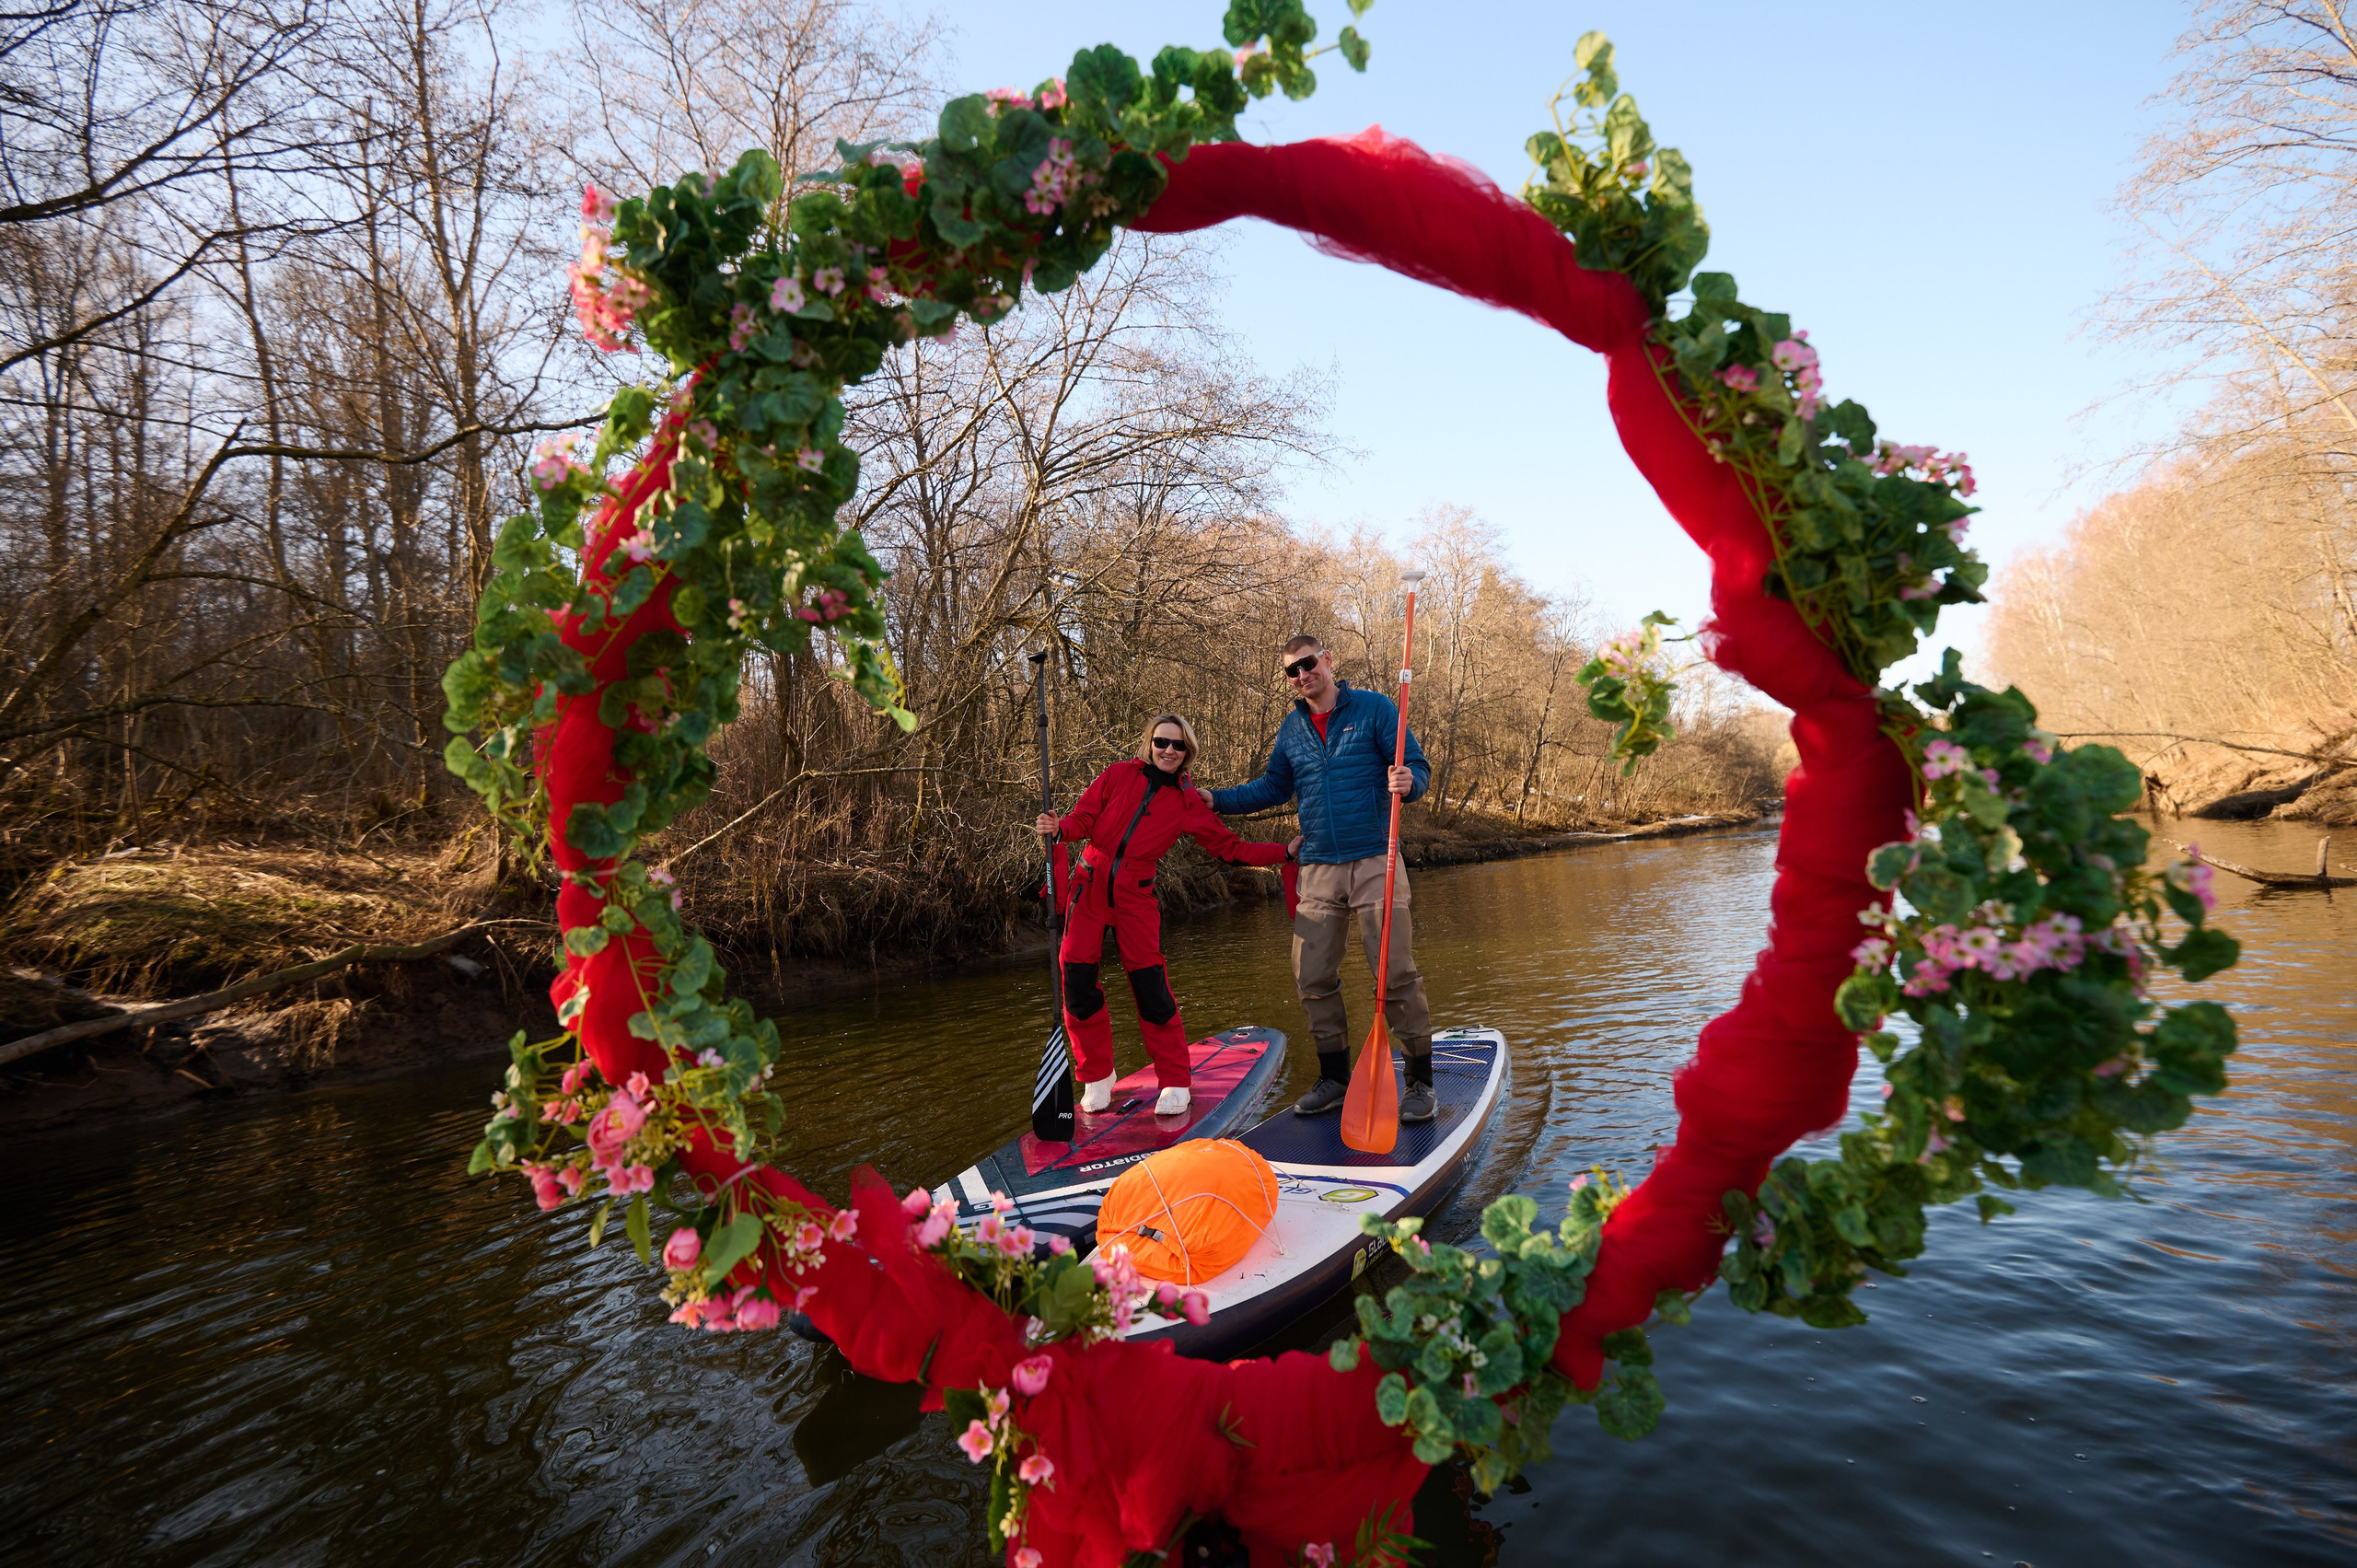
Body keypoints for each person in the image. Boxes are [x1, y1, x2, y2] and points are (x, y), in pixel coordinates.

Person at [1207, 634, 1437, 1122]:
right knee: (1311, 976)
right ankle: (1334, 1078)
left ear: (1327, 661)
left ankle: (1420, 1082)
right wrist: (1215, 799)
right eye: (1292, 671)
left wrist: (1410, 782)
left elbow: (1417, 766)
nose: (1302, 675)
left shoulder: (1374, 710)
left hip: (1377, 858)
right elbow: (1270, 787)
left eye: (1308, 664)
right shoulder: (1292, 729)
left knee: (1393, 973)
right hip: (1318, 867)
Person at [1037, 714, 1291, 1117]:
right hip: (1087, 889)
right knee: (1078, 988)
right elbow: (1083, 818)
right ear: (1149, 744)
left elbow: (1231, 849)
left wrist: (1285, 853)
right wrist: (1060, 828)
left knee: (1151, 991)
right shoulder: (1118, 775)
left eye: (1177, 745)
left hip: (1135, 899)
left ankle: (1175, 1079)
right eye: (1161, 742)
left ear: (1188, 752)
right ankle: (1097, 1076)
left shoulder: (1188, 803)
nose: (1168, 750)